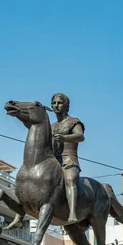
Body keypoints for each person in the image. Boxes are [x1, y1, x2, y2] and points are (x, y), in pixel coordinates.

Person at [51, 93, 85, 223]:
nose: (56, 106)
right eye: (54, 103)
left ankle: (72, 213)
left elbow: (80, 137)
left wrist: (64, 138)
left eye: (59, 103)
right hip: (54, 161)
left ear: (66, 105)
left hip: (69, 160)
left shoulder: (74, 122)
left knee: (70, 179)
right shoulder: (52, 125)